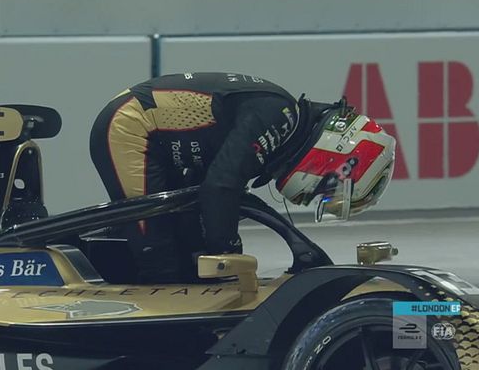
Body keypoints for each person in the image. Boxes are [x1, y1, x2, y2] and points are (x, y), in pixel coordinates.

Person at [89, 72, 396, 283]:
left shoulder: (282, 122)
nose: (318, 195)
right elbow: (220, 187)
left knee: (187, 254)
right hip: (129, 128)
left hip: (149, 137)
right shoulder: (277, 116)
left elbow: (213, 190)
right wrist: (228, 253)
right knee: (159, 259)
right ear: (337, 153)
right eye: (329, 189)